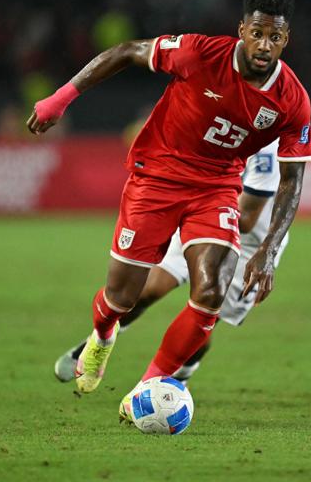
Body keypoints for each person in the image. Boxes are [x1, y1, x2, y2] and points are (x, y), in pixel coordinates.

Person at [26, 0, 311, 420]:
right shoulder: (199, 53)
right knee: (121, 298)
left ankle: (145, 390)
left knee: (211, 290)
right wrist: (60, 98)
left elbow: (293, 179)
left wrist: (269, 250)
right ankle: (102, 338)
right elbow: (125, 51)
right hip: (156, 177)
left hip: (216, 187)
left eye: (275, 38)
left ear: (285, 40)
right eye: (257, 33)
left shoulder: (292, 100)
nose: (264, 45)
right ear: (242, 30)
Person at [53, 141, 288, 386]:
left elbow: (248, 218)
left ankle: (174, 382)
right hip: (202, 219)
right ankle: (98, 342)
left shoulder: (265, 151)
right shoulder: (220, 127)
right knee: (149, 290)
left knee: (203, 316)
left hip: (250, 246)